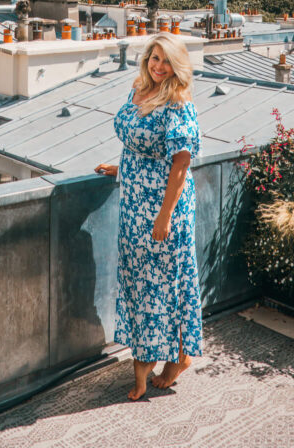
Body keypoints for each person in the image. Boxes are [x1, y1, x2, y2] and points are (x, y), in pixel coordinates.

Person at [95, 33, 202, 401]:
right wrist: (121, 166)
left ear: (178, 66)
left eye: (167, 61)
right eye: (155, 58)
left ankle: (166, 362)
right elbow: (137, 140)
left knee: (165, 286)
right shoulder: (138, 89)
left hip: (163, 208)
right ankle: (156, 359)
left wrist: (164, 216)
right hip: (133, 202)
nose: (159, 66)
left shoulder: (178, 103)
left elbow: (181, 162)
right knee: (139, 284)